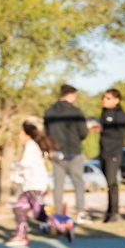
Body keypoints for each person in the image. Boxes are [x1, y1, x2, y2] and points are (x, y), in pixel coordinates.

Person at [44, 84, 89, 222]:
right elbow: (83, 132)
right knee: (78, 184)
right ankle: (81, 213)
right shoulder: (76, 111)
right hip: (74, 152)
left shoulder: (49, 111)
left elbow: (46, 133)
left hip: (56, 154)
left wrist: (50, 148)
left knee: (58, 186)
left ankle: (58, 215)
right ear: (71, 95)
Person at [8, 122, 57, 246]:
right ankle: (21, 236)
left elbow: (26, 164)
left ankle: (61, 224)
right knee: (19, 208)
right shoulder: (32, 145)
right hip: (30, 186)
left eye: (21, 133)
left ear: (27, 135)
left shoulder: (30, 145)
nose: (19, 136)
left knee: (39, 214)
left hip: (36, 185)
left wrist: (15, 167)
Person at [98, 89, 125, 223]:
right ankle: (109, 212)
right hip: (103, 152)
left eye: (108, 98)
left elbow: (119, 134)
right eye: (104, 97)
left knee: (112, 183)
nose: (104, 100)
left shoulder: (120, 115)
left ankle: (115, 212)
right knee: (108, 183)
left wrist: (103, 129)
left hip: (113, 153)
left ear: (116, 100)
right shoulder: (104, 113)